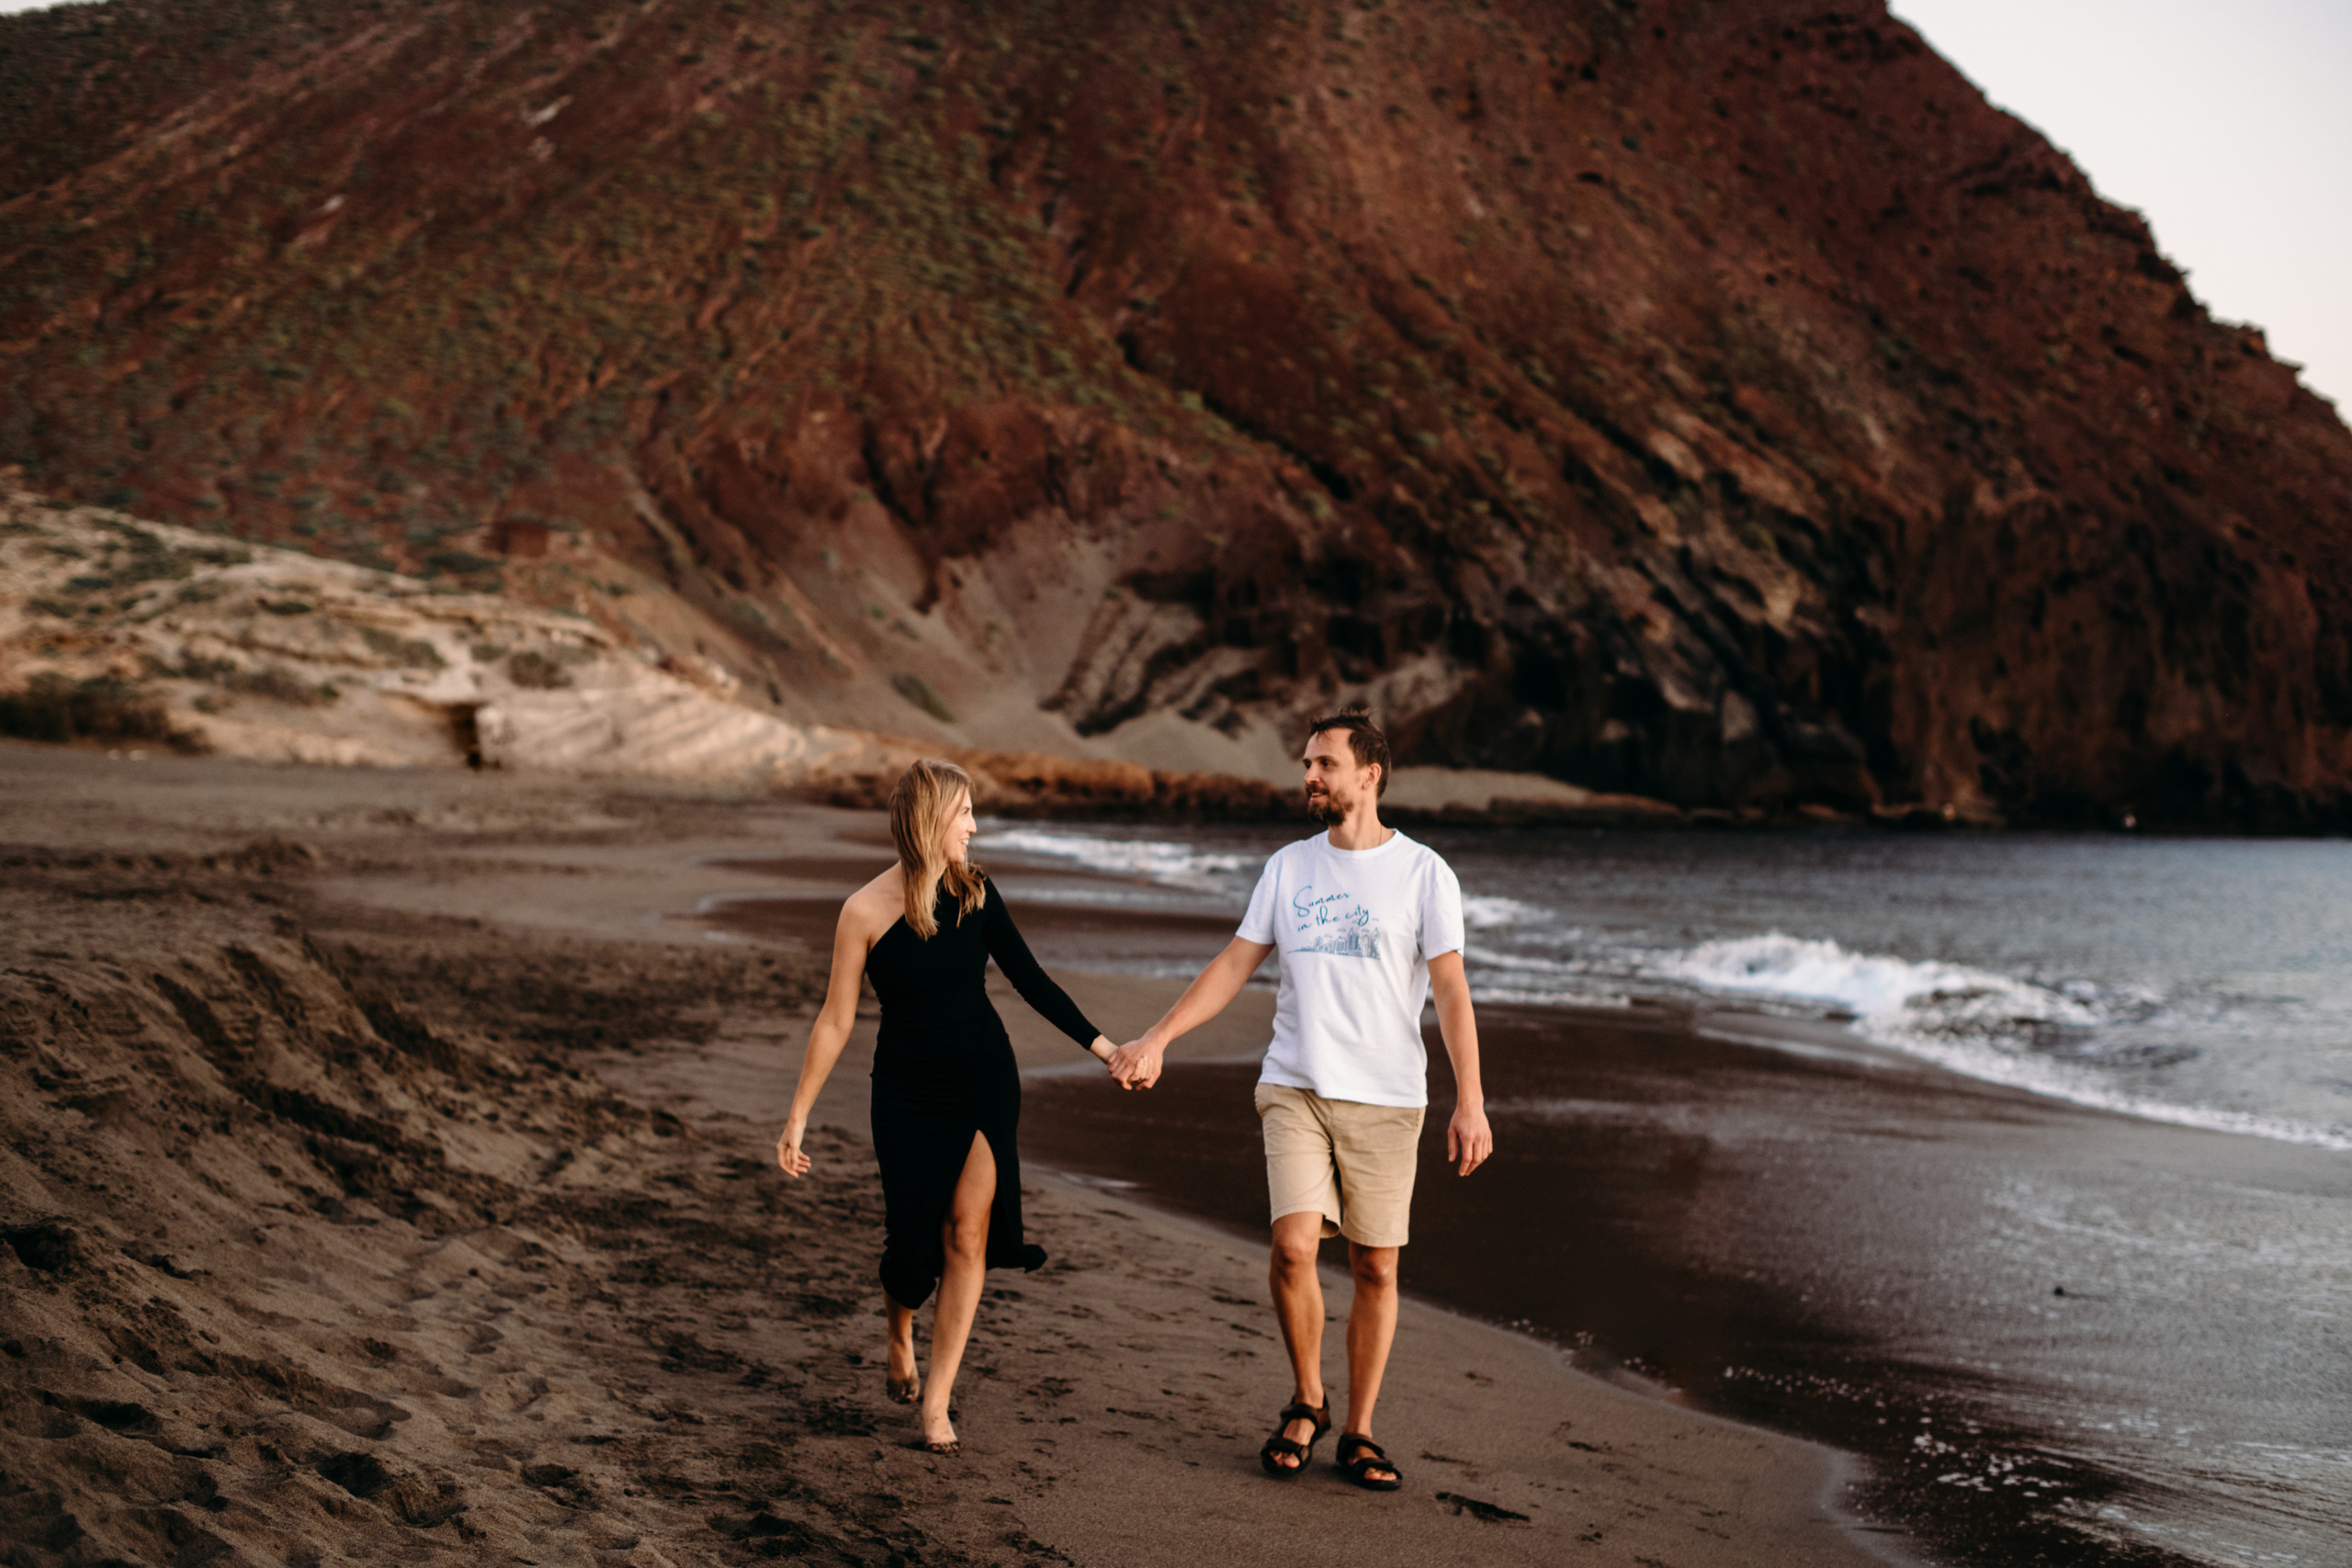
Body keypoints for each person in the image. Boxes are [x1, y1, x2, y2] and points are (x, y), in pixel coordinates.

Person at [1108, 708, 1492, 1490]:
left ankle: (1360, 1429)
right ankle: (1308, 1399)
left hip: (1388, 1097)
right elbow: (1233, 964)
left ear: (1369, 774)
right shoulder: (1288, 867)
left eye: (1324, 763)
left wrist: (1471, 1100)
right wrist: (1157, 1037)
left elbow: (1451, 990)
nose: (1309, 776)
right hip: (1296, 1084)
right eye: (1307, 763)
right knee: (1291, 1248)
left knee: (1375, 1268)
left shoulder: (1425, 873)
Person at [775, 759, 1119, 1453]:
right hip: (904, 1090)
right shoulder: (863, 911)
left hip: (983, 1079)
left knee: (968, 1233)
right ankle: (898, 1327)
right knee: (909, 1250)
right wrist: (798, 1114)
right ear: (931, 818)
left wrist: (1106, 1047)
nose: (973, 825)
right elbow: (836, 1020)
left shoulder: (977, 893)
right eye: (964, 811)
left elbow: (1031, 979)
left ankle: (937, 1401)